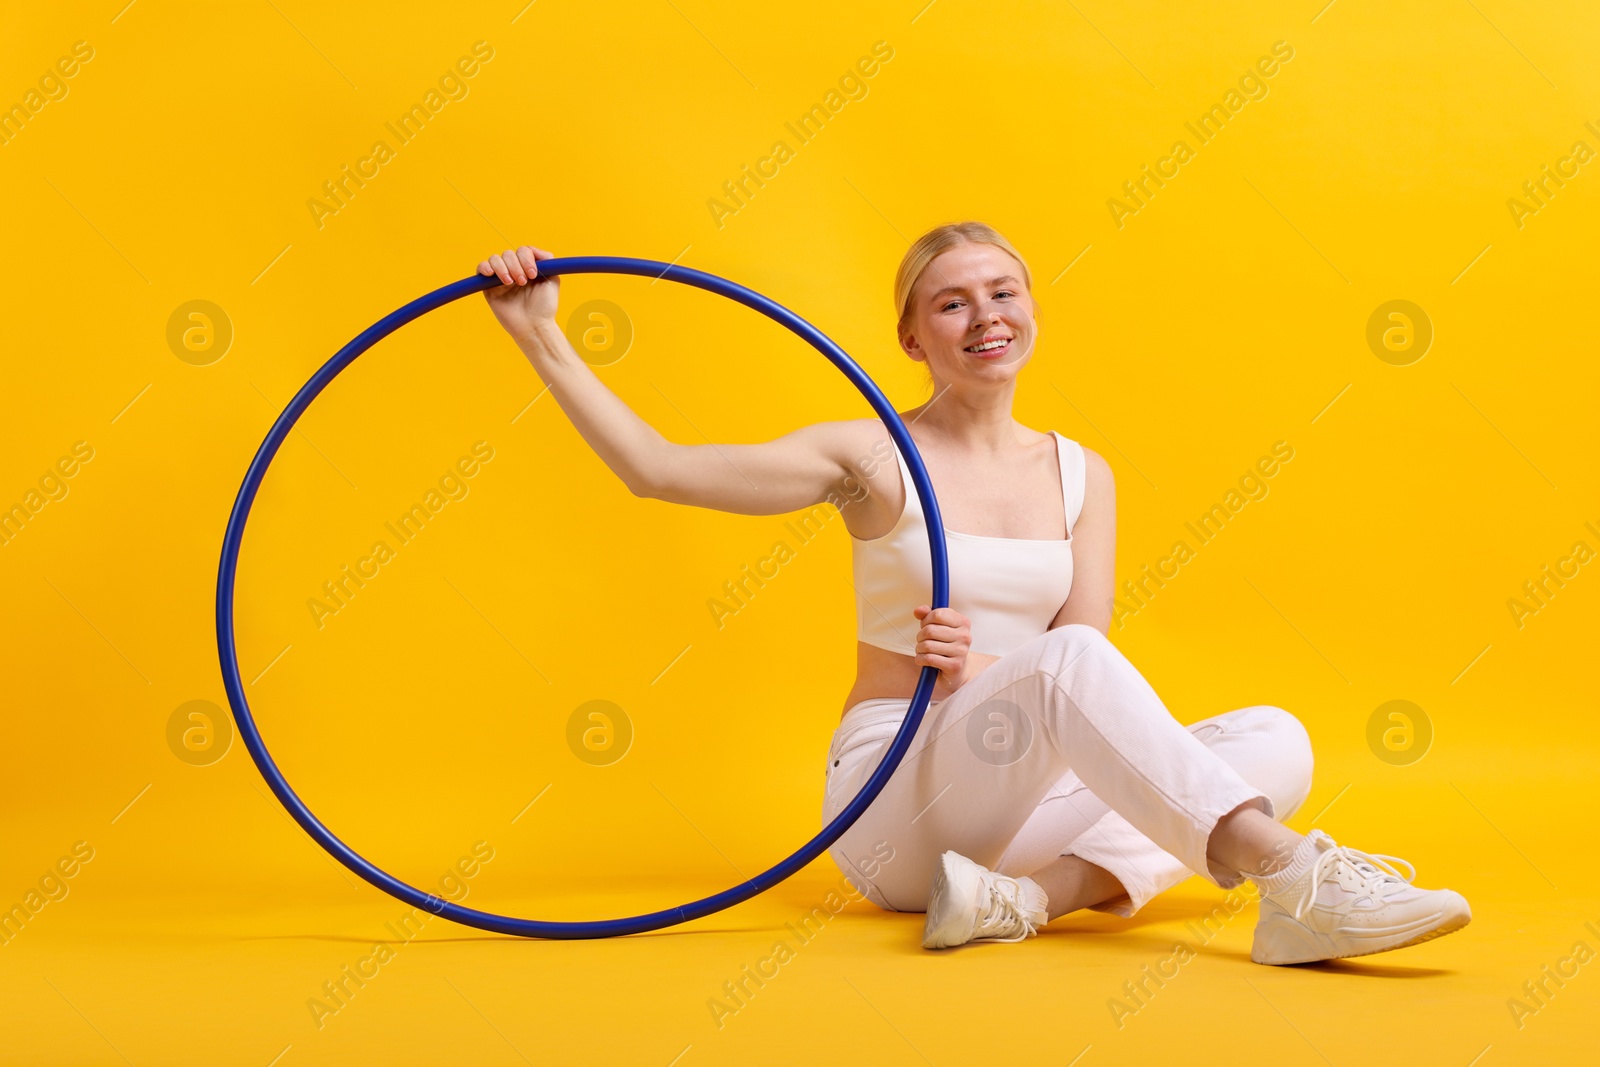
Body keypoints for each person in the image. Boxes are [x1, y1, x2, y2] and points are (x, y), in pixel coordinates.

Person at [476, 225, 1470, 964]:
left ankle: (1017, 900)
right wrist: (540, 337)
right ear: (912, 337)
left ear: (1031, 310)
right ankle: (1294, 877)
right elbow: (659, 468)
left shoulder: (1084, 472)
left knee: (1275, 736)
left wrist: (991, 666)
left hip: (1012, 797)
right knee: (1077, 674)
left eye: (1003, 291)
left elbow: (1082, 644)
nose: (985, 315)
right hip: (894, 798)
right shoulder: (869, 454)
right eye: (951, 302)